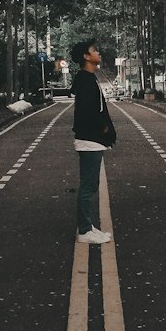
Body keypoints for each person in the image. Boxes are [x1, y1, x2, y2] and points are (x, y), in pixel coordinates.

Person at [70, 39, 117, 244]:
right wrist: (102, 126)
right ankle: (85, 230)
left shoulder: (88, 78)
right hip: (89, 139)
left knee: (91, 184)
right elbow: (87, 109)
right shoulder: (85, 80)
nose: (98, 53)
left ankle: (88, 226)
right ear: (86, 57)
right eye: (94, 51)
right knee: (88, 186)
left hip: (92, 139)